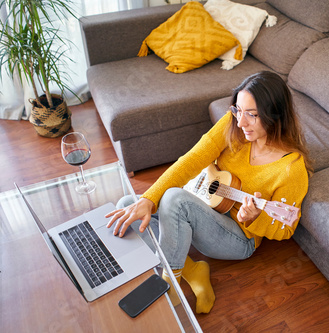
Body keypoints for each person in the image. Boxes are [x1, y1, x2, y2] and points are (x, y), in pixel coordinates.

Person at [106, 71, 312, 314]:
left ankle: (170, 289)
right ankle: (193, 272)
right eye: (238, 110)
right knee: (128, 204)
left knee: (174, 199)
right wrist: (147, 199)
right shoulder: (233, 123)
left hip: (239, 239)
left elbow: (286, 229)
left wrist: (255, 218)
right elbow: (192, 159)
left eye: (252, 115)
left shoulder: (290, 169)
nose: (241, 122)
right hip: (207, 205)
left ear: (275, 114)